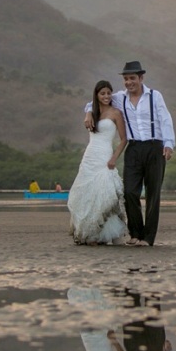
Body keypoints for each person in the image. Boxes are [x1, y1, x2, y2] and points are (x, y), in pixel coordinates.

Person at [84, 61, 175, 247]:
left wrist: (169, 144)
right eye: (126, 79)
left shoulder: (154, 96)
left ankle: (148, 238)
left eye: (132, 78)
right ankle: (135, 233)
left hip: (154, 147)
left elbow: (165, 119)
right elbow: (96, 101)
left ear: (141, 78)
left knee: (153, 193)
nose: (129, 82)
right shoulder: (120, 98)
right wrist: (87, 113)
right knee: (129, 192)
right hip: (133, 148)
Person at [69, 80, 128, 245]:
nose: (107, 96)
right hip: (90, 156)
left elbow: (124, 140)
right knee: (87, 193)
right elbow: (89, 107)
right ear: (97, 95)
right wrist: (88, 113)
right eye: (103, 93)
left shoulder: (116, 113)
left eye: (109, 93)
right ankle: (91, 234)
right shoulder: (92, 113)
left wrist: (114, 158)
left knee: (106, 193)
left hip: (105, 156)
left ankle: (108, 233)